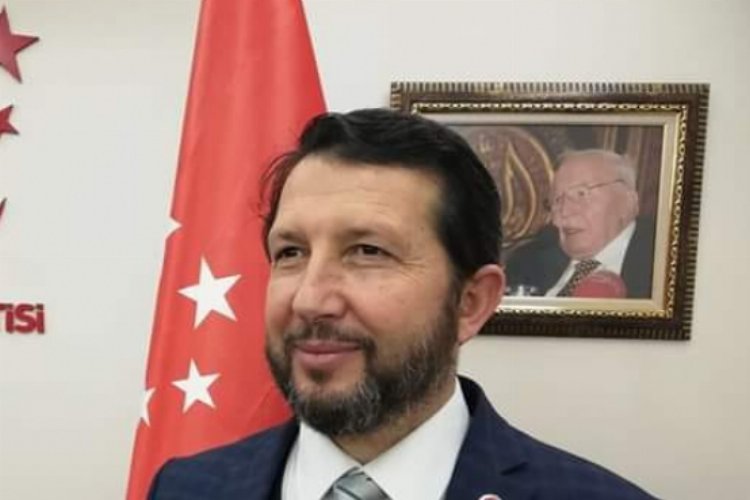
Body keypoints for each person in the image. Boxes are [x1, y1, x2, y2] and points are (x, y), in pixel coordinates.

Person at [148, 110, 654, 499]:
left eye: (368, 251)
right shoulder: (183, 489)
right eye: (291, 253)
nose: (309, 299)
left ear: (471, 302)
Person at [506, 150, 655, 298]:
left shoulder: (661, 262)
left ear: (627, 202)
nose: (564, 212)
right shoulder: (527, 261)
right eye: (556, 200)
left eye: (581, 194)